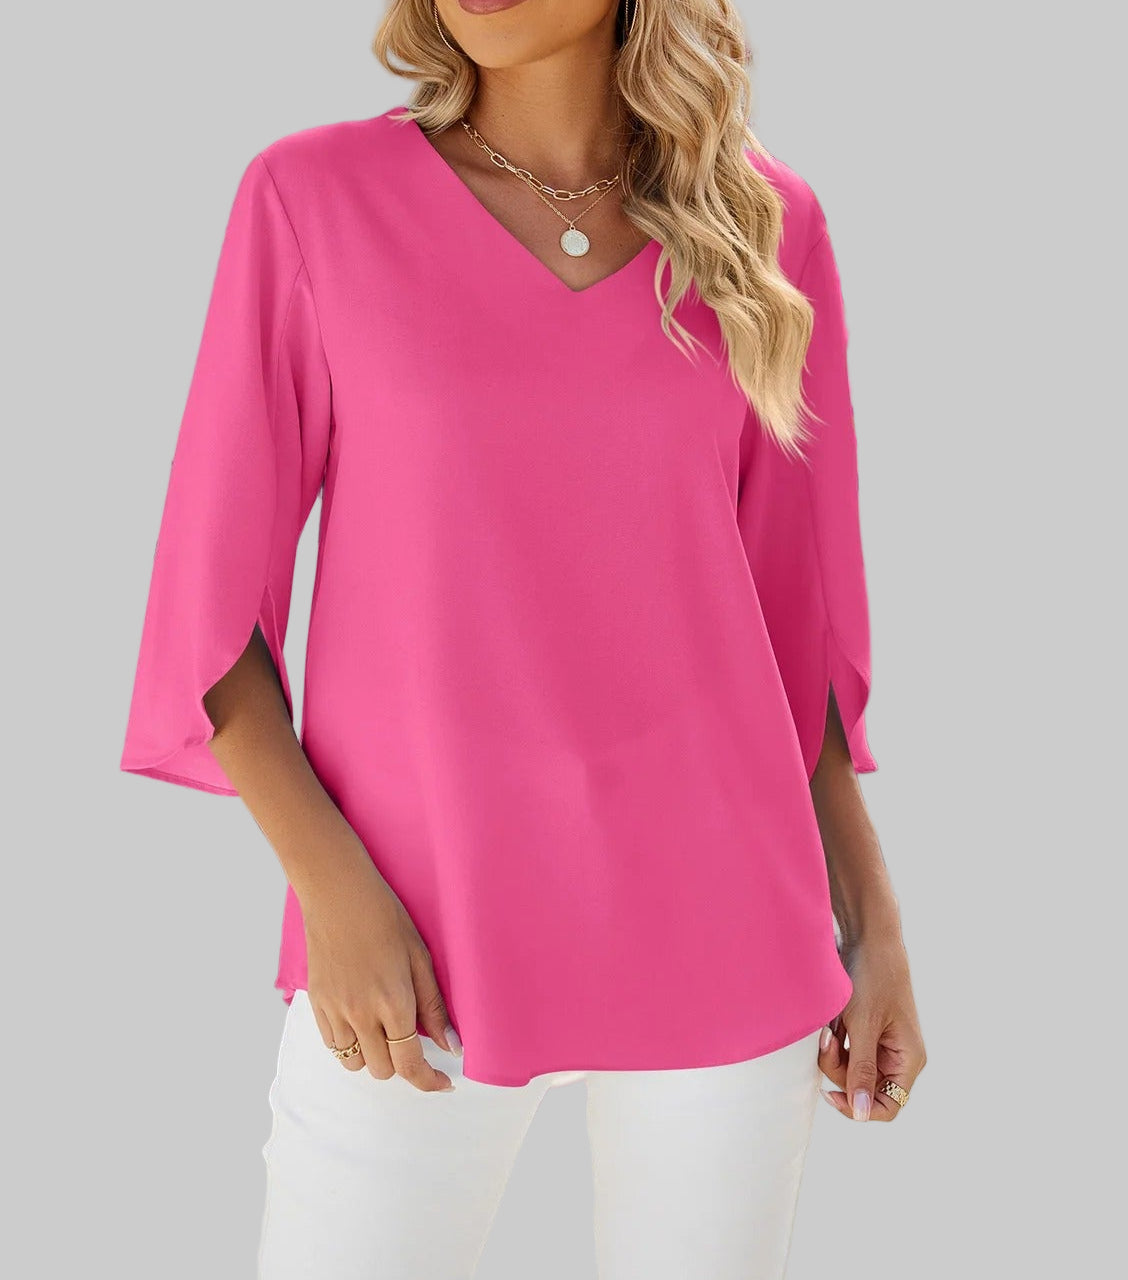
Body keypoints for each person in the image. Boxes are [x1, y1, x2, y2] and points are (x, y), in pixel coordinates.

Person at [119, 1, 927, 1275]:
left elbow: (797, 626)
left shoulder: (766, 226)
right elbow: (209, 614)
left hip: (726, 923)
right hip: (415, 934)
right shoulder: (312, 199)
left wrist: (871, 923)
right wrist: (334, 895)